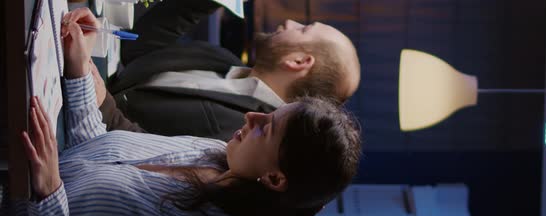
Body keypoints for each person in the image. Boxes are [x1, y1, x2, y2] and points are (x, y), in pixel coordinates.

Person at [0, 8, 361, 216]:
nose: (253, 118)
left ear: (275, 178)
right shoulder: (216, 153)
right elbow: (100, 150)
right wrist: (80, 70)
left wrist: (50, 194)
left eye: (266, 129)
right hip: (11, 186)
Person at [98, 0, 361, 141]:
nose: (290, 22)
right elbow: (137, 47)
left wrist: (94, 94)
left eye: (303, 29)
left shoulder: (244, 135)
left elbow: (139, 147)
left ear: (299, 62)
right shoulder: (222, 59)